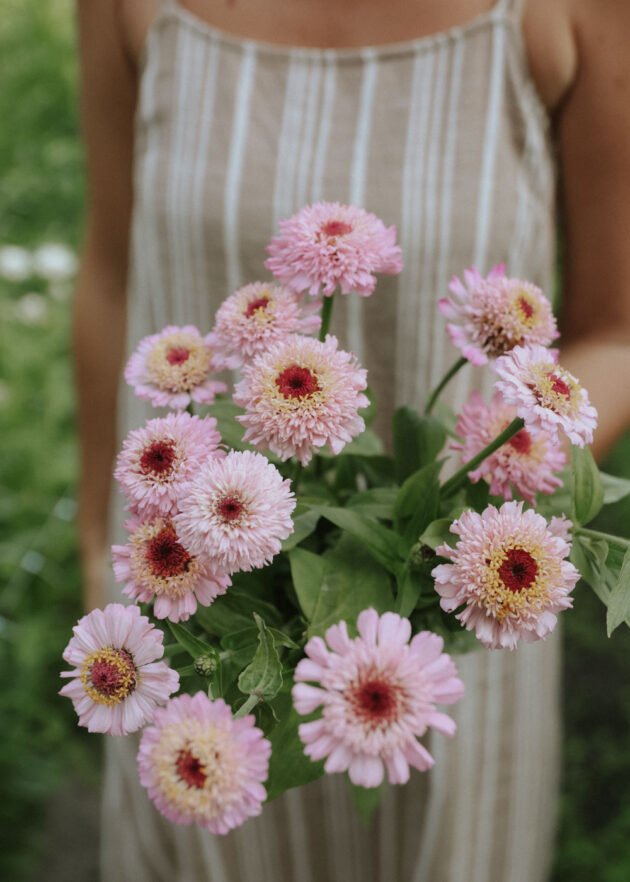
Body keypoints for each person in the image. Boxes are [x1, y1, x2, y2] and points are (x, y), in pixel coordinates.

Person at [74, 0, 630, 879]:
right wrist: (94, 536)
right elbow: (111, 271)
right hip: (190, 602)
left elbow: (619, 332)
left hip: (464, 614)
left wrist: (475, 528)